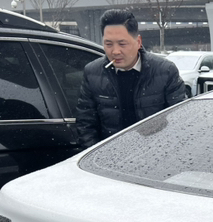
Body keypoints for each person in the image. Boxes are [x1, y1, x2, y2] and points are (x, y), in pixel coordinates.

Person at [74, 9, 186, 147]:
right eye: (108, 44)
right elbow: (85, 124)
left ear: (138, 42)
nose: (115, 51)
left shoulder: (165, 71)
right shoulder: (93, 73)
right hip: (110, 154)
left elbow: (180, 120)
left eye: (122, 44)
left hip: (156, 151)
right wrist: (98, 155)